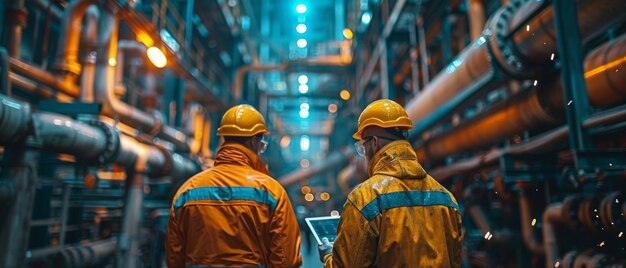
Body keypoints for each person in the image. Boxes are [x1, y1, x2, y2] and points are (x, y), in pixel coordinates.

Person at [319, 99, 463, 267]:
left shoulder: (365, 199)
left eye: (363, 147)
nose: (364, 154)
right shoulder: (446, 199)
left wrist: (329, 255)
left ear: (374, 143)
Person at [166, 104, 302, 268]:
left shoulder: (186, 192)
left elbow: (174, 257)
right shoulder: (272, 192)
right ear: (253, 141)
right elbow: (286, 260)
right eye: (262, 144)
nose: (261, 149)